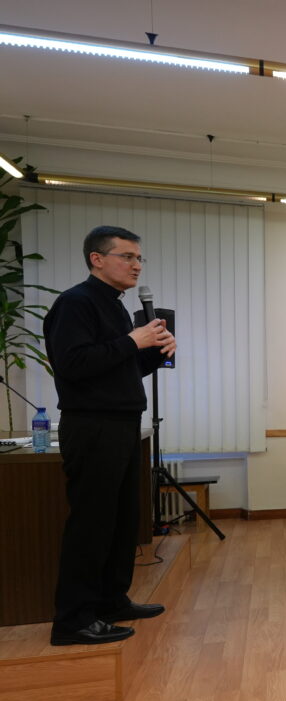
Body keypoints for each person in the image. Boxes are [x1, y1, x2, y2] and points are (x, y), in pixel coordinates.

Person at [43, 225, 177, 646]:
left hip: (122, 424)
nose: (136, 266)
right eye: (127, 257)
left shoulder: (116, 307)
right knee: (92, 524)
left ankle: (111, 601)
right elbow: (73, 365)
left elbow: (121, 368)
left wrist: (154, 352)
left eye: (139, 258)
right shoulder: (75, 303)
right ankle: (72, 621)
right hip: (93, 426)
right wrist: (133, 341)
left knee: (122, 521)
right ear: (97, 259)